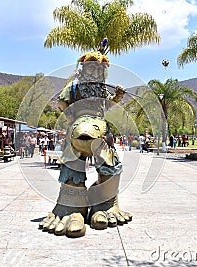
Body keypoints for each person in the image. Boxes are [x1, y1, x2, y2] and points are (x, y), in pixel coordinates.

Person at [39, 46, 131, 238]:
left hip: (101, 127)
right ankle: (72, 207)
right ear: (83, 68)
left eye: (99, 69)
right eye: (91, 68)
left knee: (109, 159)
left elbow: (108, 105)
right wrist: (71, 116)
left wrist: (118, 97)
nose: (95, 72)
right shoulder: (74, 86)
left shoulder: (102, 90)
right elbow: (62, 102)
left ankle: (105, 203)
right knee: (73, 157)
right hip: (79, 125)